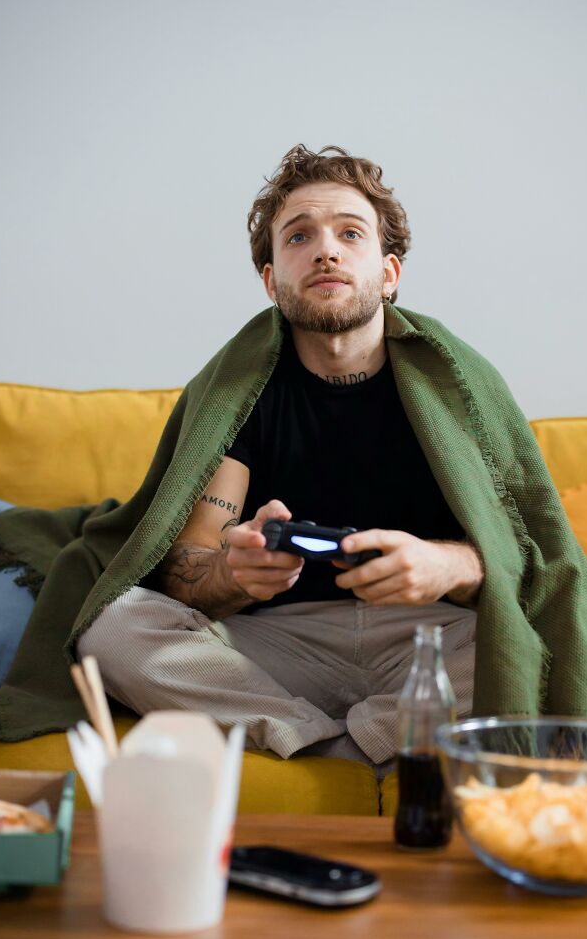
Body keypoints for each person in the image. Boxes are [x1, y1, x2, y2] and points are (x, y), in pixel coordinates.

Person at [74, 143, 485, 776]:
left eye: (350, 233)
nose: (325, 250)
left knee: (544, 645)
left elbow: (524, 562)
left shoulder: (457, 388)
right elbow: (188, 567)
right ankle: (329, 746)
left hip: (428, 639)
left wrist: (444, 565)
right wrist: (233, 576)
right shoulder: (239, 393)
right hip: (277, 643)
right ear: (271, 280)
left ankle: (347, 740)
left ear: (389, 272)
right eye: (298, 237)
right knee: (113, 633)